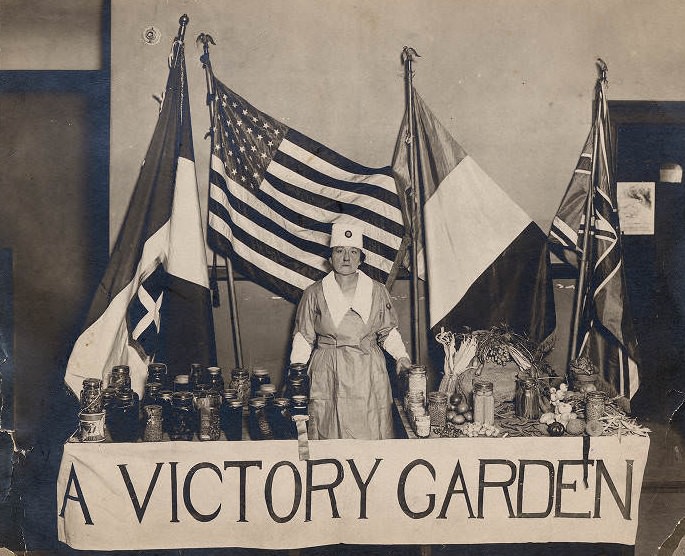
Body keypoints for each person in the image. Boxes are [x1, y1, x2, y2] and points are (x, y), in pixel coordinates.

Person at [289, 222, 412, 439]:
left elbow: (388, 331)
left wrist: (401, 356)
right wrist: (296, 374)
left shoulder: (377, 290)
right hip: (328, 373)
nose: (346, 258)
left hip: (368, 372)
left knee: (371, 434)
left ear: (361, 258)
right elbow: (303, 337)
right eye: (339, 251)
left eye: (353, 252)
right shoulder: (314, 293)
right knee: (329, 434)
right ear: (330, 257)